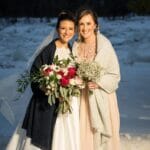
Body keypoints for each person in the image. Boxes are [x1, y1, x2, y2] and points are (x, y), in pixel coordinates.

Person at [6, 11, 79, 150]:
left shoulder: (71, 49)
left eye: (70, 29)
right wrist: (46, 87)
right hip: (46, 100)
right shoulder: (49, 49)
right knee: (41, 134)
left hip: (64, 100)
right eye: (63, 28)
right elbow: (35, 72)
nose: (66, 32)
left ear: (74, 31)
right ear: (57, 29)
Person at [72, 9, 121, 150]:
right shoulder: (75, 46)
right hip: (82, 99)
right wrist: (76, 79)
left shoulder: (105, 46)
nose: (85, 28)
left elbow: (115, 75)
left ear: (95, 25)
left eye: (88, 23)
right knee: (84, 138)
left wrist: (99, 82)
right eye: (81, 24)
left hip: (102, 98)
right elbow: (72, 70)